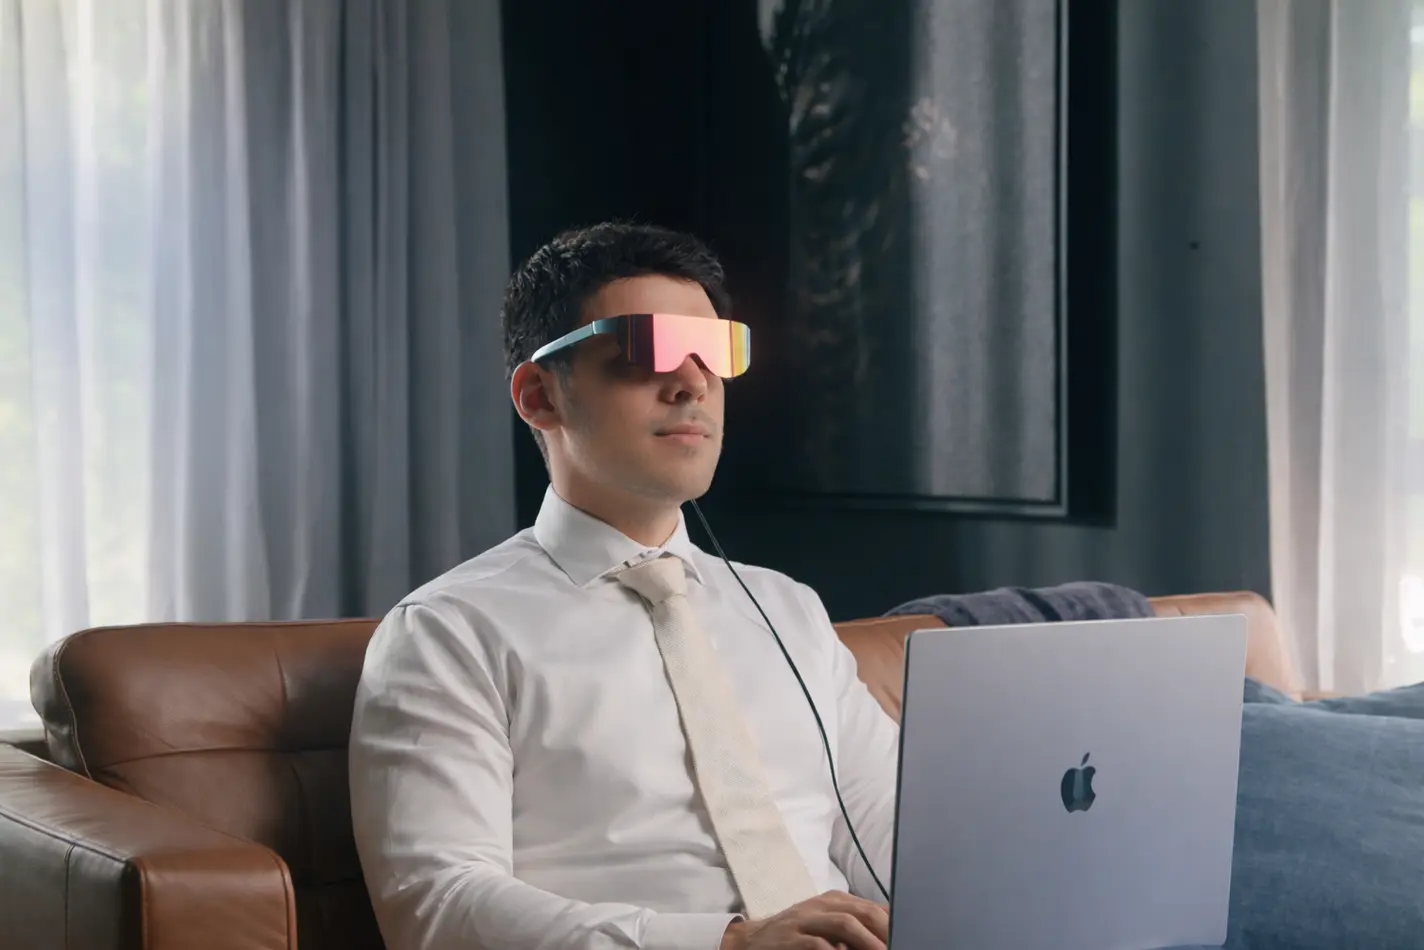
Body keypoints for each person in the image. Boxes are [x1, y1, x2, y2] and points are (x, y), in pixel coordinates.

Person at [349, 222, 901, 950]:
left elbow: (903, 837)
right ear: (540, 396)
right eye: (649, 349)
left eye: (715, 351)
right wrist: (728, 944)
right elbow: (437, 905)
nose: (692, 383)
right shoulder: (448, 632)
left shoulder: (787, 610)